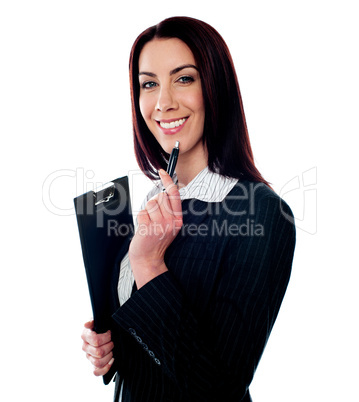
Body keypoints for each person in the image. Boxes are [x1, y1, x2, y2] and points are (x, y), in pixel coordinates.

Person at [81, 16, 296, 402]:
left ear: (216, 88)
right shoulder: (152, 204)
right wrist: (112, 348)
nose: (163, 102)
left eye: (184, 78)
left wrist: (149, 267)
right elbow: (153, 345)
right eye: (149, 84)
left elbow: (219, 388)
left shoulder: (261, 214)